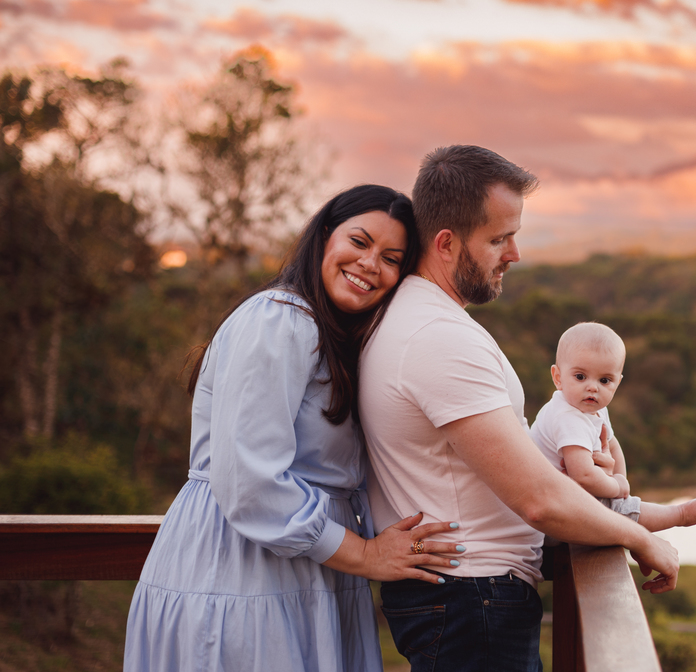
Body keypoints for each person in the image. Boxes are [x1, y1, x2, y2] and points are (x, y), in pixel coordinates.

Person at [359, 145, 680, 672]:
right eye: (499, 239)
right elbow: (536, 500)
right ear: (446, 243)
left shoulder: (418, 320)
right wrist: (639, 537)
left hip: (467, 598)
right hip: (472, 600)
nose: (515, 253)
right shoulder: (437, 338)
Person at [125, 185, 464, 672]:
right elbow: (251, 483)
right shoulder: (280, 320)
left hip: (312, 575)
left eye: (391, 259)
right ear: (324, 236)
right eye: (359, 241)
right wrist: (366, 555)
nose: (370, 264)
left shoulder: (339, 338)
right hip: (242, 570)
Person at [530, 322, 696, 531]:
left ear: (618, 383)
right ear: (558, 377)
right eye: (580, 377)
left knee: (618, 504)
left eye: (604, 380)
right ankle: (678, 515)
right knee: (616, 511)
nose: (593, 387)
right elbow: (584, 476)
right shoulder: (567, 417)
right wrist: (616, 487)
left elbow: (613, 445)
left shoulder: (595, 410)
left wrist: (621, 481)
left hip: (568, 497)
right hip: (550, 508)